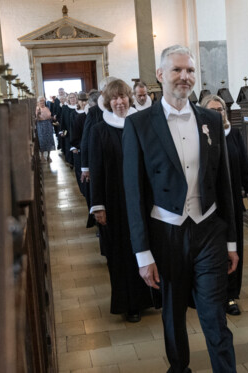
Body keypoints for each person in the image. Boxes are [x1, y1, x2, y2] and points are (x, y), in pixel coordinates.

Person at [122, 45, 238, 373]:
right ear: (161, 75)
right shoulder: (139, 125)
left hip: (208, 230)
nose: (184, 76)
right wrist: (143, 254)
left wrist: (231, 242)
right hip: (166, 232)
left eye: (189, 70)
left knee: (215, 316)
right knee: (173, 316)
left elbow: (224, 184)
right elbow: (133, 194)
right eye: (177, 70)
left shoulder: (212, 120)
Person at [89, 79, 159, 323]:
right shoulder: (100, 130)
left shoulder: (142, 123)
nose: (119, 102)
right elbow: (96, 170)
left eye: (123, 97)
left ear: (129, 99)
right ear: (108, 102)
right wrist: (98, 205)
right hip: (115, 200)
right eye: (114, 98)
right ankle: (130, 304)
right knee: (122, 253)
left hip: (142, 197)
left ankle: (151, 296)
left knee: (147, 246)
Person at [200, 95, 248, 316]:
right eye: (212, 110)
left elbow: (244, 163)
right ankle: (211, 292)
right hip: (208, 204)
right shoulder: (201, 136)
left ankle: (231, 294)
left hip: (232, 202)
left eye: (220, 109)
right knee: (212, 249)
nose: (217, 113)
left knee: (234, 248)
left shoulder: (234, 133)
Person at [70, 92, 91, 200]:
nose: (84, 103)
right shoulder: (76, 115)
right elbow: (72, 131)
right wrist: (75, 147)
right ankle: (84, 191)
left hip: (89, 149)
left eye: (85, 101)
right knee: (80, 171)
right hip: (79, 147)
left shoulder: (92, 114)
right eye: (82, 101)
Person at [34, 97, 55, 163]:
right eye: (40, 101)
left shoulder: (47, 108)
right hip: (41, 125)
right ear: (38, 102)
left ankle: (49, 155)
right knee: (42, 140)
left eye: (43, 101)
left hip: (48, 124)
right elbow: (36, 119)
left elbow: (49, 116)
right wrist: (38, 114)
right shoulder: (37, 108)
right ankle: (42, 156)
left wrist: (53, 118)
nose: (42, 103)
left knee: (49, 140)